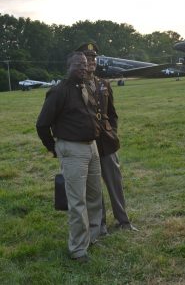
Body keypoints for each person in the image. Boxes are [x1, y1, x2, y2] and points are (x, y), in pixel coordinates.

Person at [36, 51, 102, 263]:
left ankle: (92, 237)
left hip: (92, 148)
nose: (83, 68)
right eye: (78, 65)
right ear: (68, 66)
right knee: (77, 201)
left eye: (85, 64)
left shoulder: (86, 88)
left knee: (94, 196)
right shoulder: (58, 91)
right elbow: (42, 124)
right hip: (73, 150)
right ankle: (78, 249)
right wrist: (53, 148)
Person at [76, 42, 138, 234]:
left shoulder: (104, 84)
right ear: (81, 61)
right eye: (87, 58)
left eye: (94, 58)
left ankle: (123, 221)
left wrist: (113, 132)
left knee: (115, 183)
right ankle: (99, 224)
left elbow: (112, 113)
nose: (92, 61)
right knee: (94, 188)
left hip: (107, 142)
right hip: (87, 142)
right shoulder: (74, 86)